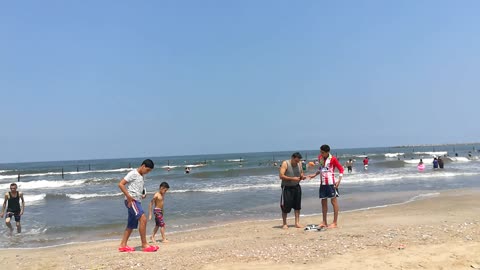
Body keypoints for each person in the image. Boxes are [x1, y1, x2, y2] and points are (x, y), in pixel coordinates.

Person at [118, 159, 157, 252]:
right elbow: (121, 184)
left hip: (137, 201)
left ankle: (123, 245)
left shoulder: (141, 176)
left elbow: (139, 187)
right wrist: (129, 197)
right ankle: (144, 245)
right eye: (147, 170)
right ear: (143, 166)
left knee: (131, 224)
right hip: (132, 201)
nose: (147, 172)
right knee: (143, 219)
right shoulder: (133, 173)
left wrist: (143, 194)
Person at [308, 145, 344, 229]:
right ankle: (324, 222)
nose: (321, 153)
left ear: (327, 152)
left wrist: (339, 180)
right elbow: (322, 168)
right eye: (320, 152)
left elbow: (341, 169)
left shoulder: (333, 159)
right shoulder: (320, 157)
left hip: (331, 183)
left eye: (322, 152)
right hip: (323, 183)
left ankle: (335, 222)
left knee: (334, 202)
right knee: (323, 202)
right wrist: (314, 175)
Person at [279, 152, 306, 229]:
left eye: (298, 161)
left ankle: (297, 223)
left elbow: (301, 173)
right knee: (286, 206)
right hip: (287, 187)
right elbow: (281, 176)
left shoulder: (299, 163)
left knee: (297, 206)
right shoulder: (285, 163)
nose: (297, 162)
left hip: (296, 186)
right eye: (296, 161)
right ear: (292, 158)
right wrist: (292, 178)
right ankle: (284, 223)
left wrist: (302, 177)